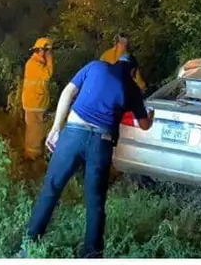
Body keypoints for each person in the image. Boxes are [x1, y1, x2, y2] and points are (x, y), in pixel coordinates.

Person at [20, 54, 154, 258]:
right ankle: (92, 256)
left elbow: (68, 92)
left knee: (51, 188)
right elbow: (144, 125)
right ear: (133, 72)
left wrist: (56, 127)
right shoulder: (132, 88)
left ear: (115, 62)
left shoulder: (95, 67)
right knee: (96, 202)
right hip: (102, 143)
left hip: (73, 134)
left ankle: (28, 248)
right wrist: (150, 114)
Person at [21, 37, 54, 161]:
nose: (50, 54)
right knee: (34, 131)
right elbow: (47, 75)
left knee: (37, 129)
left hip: (36, 102)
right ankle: (31, 158)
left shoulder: (38, 63)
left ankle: (34, 155)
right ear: (42, 50)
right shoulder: (33, 64)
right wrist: (50, 59)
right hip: (33, 103)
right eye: (48, 51)